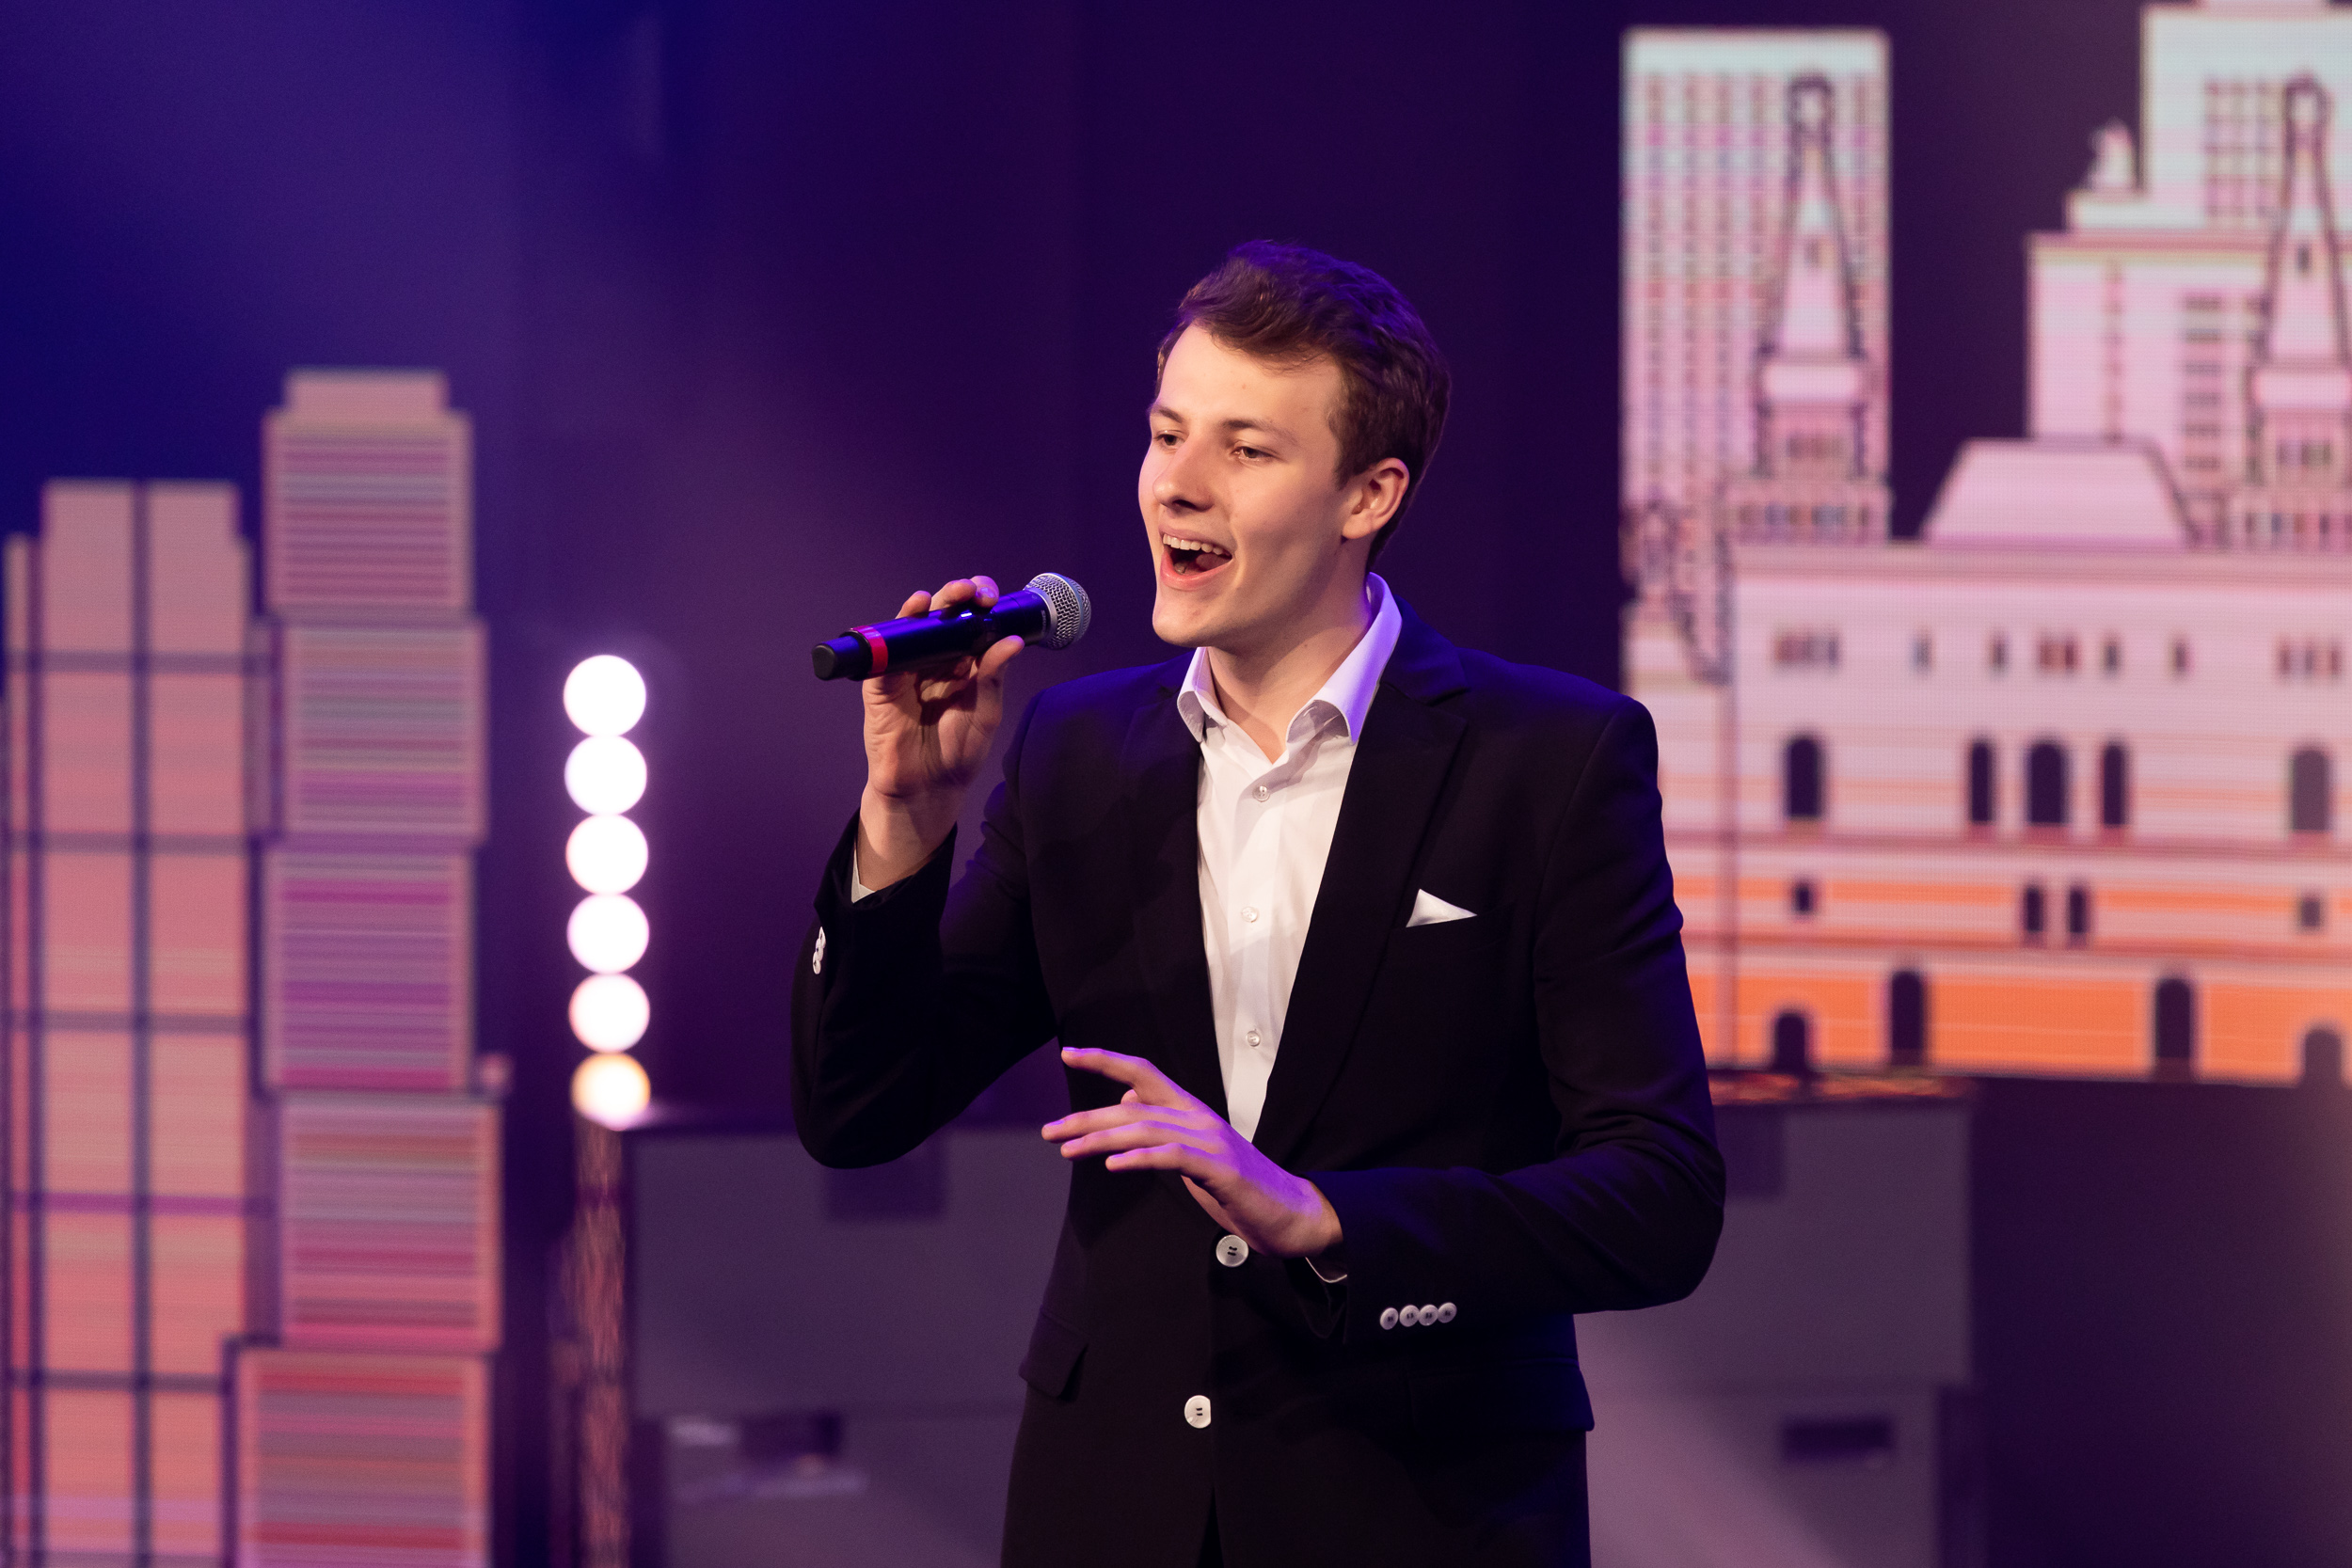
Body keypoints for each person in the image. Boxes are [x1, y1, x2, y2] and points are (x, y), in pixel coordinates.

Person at [792, 241, 1723, 1568]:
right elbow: (859, 1109)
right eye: (1168, 433)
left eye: (1246, 449)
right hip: (1110, 1511)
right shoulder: (1079, 754)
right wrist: (905, 818)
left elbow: (1659, 1198)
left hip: (1418, 1516)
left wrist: (1328, 1217)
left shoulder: (1550, 761)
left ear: (1368, 494)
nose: (1179, 482)